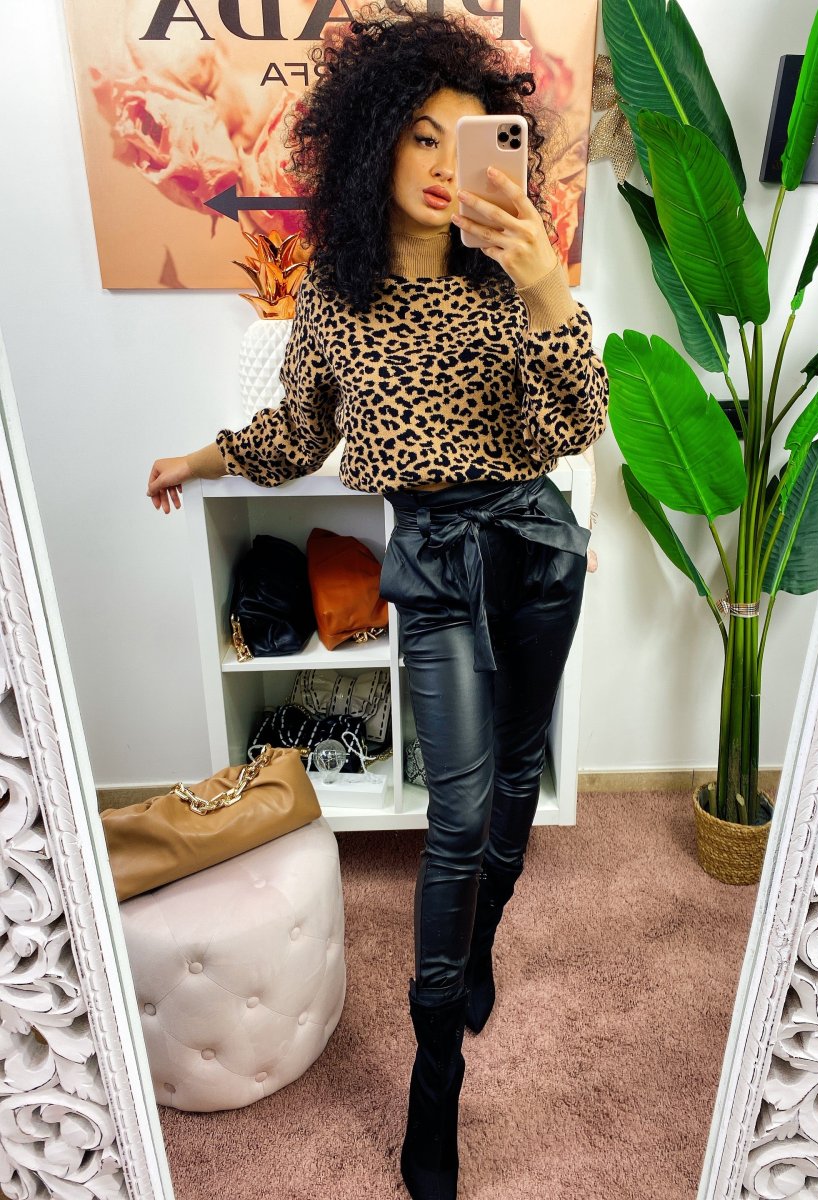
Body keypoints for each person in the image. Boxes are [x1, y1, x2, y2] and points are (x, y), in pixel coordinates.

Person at [146, 7, 608, 1197]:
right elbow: (299, 434)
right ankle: (435, 1073)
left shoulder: (510, 280)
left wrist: (547, 288)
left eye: (470, 139)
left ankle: (485, 940)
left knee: (519, 774)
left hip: (534, 546)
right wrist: (200, 458)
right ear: (373, 147)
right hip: (435, 563)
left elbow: (573, 428)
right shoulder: (336, 301)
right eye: (421, 137)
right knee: (456, 814)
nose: (448, 165)